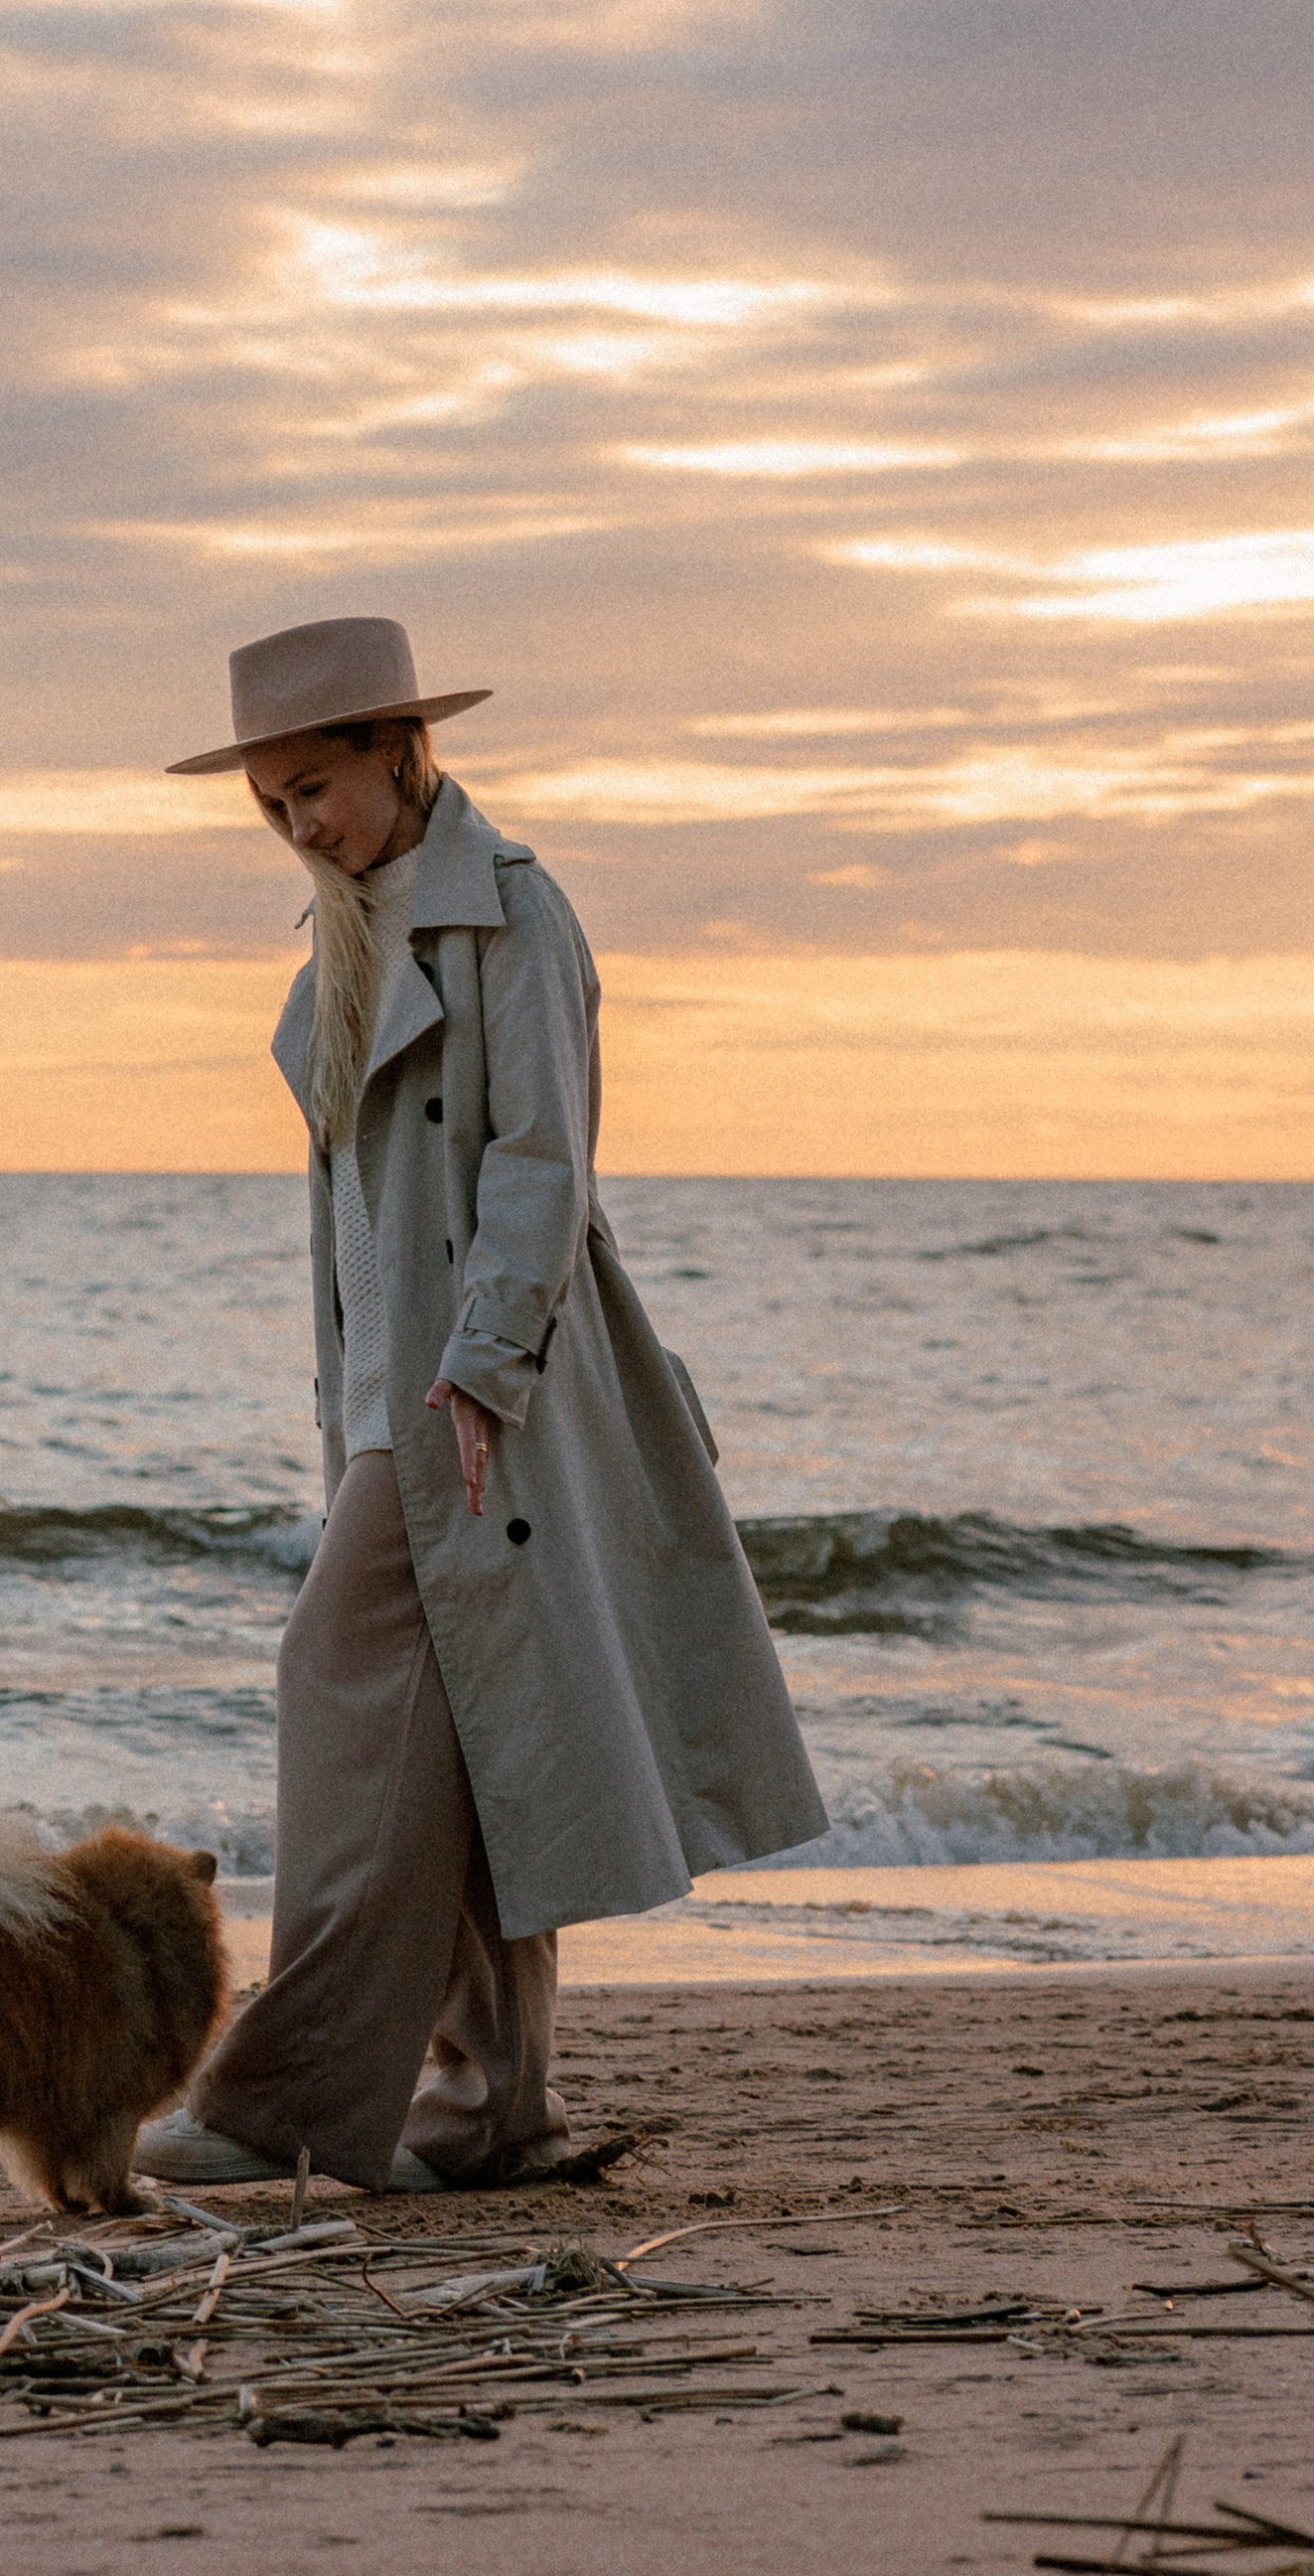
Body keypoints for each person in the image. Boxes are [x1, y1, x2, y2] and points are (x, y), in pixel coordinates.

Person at [137, 614, 827, 2193]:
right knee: (472, 1751)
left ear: (399, 750)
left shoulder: (515, 915)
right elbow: (355, 1231)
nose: (298, 825)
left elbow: (543, 1165)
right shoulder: (348, 940)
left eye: (315, 788)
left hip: (484, 1398)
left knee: (335, 1678)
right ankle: (491, 2114)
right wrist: (355, 1413)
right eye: (272, 804)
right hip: (394, 1399)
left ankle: (284, 2113)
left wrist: (480, 1367)